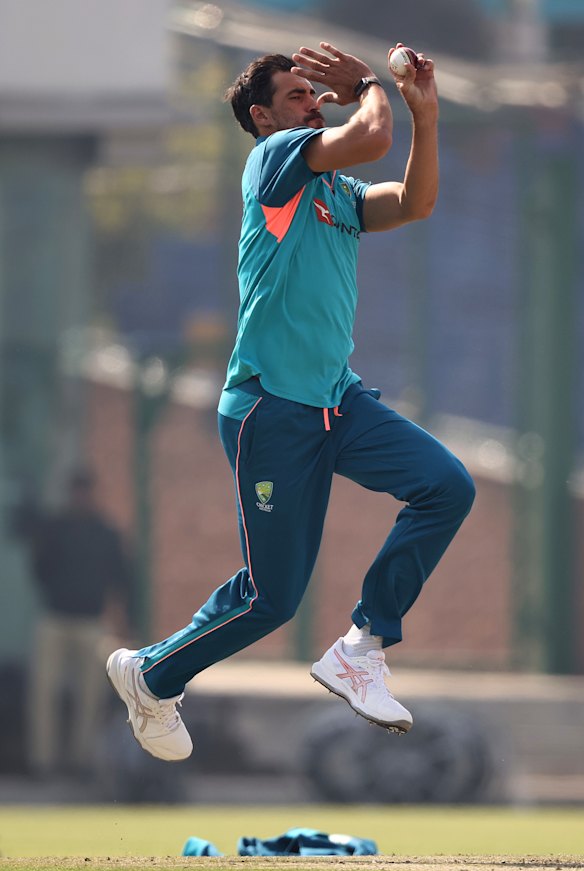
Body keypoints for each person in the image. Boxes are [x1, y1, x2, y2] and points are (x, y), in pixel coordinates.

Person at [107, 41, 475, 761]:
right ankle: (150, 673)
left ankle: (363, 644)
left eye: (316, 93)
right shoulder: (273, 161)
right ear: (263, 116)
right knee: (271, 599)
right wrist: (371, 84)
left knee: (446, 486)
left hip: (336, 402)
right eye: (299, 96)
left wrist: (423, 116)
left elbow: (415, 202)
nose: (315, 102)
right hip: (270, 408)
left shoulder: (332, 191)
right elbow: (368, 134)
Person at [27, 468, 132, 775]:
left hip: (90, 621)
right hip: (56, 617)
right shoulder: (55, 528)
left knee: (91, 695)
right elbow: (40, 568)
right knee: (44, 692)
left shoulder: (105, 532)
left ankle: (81, 759)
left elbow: (121, 578)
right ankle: (42, 761)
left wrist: (124, 621)